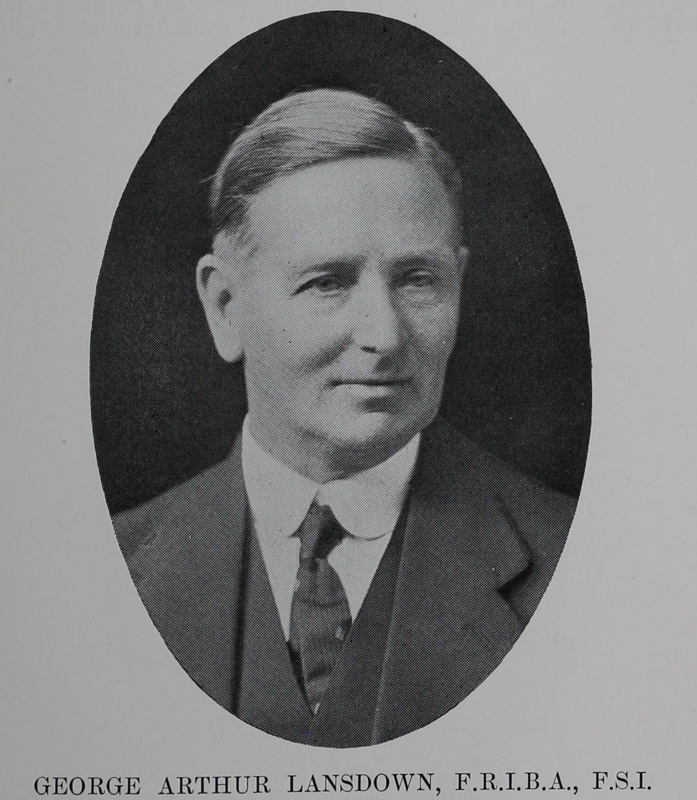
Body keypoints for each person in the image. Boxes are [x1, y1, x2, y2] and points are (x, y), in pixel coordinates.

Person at [113, 89, 576, 747]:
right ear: (225, 306)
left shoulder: (578, 564)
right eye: (326, 283)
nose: (383, 336)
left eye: (417, 280)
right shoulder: (106, 572)